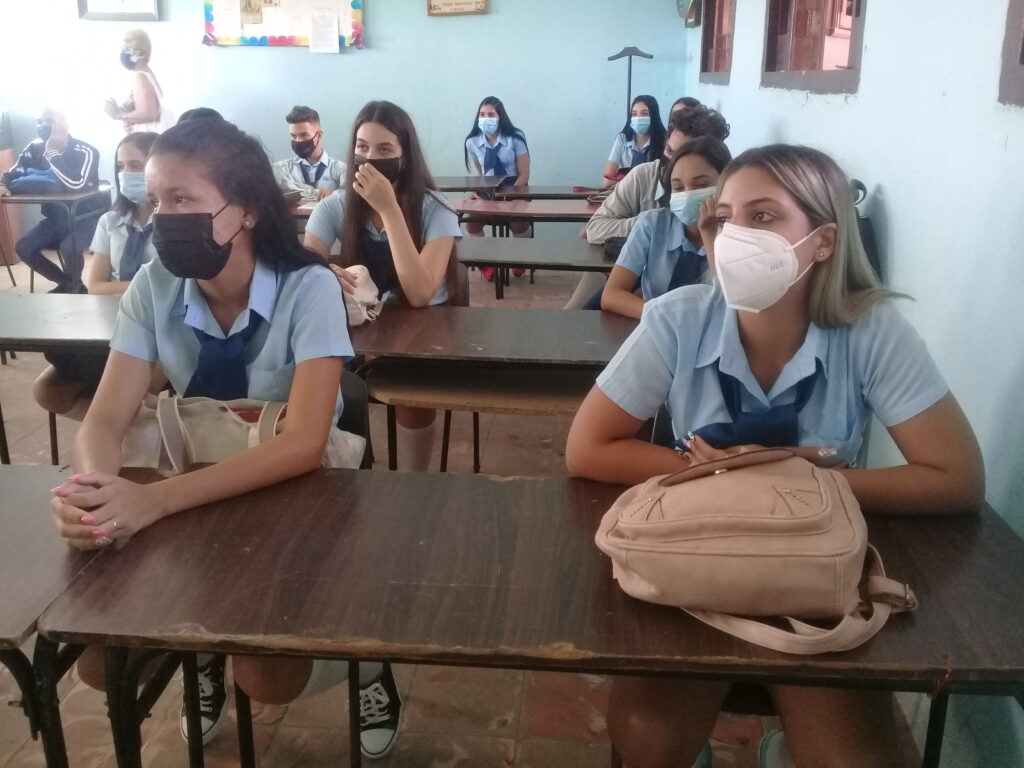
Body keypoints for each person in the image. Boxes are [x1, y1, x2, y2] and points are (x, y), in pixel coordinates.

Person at [566, 144, 984, 768]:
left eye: (762, 216)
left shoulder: (870, 331)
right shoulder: (678, 318)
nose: (735, 235)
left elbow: (957, 477)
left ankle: (781, 751)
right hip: (696, 554)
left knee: (855, 761)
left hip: (813, 565)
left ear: (823, 241)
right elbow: (586, 448)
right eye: (724, 217)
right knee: (649, 740)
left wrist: (793, 482)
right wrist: (730, 474)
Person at [46, 119, 396, 760]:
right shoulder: (154, 284)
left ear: (248, 209)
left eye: (183, 198)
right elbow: (104, 420)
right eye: (157, 200)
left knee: (268, 677)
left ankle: (368, 664)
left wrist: (152, 501)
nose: (163, 217)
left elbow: (303, 444)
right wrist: (95, 492)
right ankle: (203, 653)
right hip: (199, 469)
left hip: (289, 484)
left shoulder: (309, 287)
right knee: (100, 658)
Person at [304, 100, 463, 477]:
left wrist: (390, 210)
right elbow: (302, 273)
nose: (371, 159)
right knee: (320, 374)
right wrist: (324, 271)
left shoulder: (436, 210)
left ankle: (413, 480)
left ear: (405, 156)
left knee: (410, 385)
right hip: (361, 327)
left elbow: (420, 293)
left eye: (385, 149)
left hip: (423, 330)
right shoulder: (334, 207)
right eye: (362, 148)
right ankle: (344, 474)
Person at [33, 131, 160, 420]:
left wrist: (136, 288)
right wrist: (147, 286)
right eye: (120, 166)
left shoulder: (175, 222)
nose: (126, 174)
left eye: (136, 166)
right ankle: (115, 427)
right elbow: (96, 286)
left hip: (156, 328)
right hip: (109, 324)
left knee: (136, 394)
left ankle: (120, 427)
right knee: (46, 389)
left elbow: (175, 289)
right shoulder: (110, 221)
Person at [601, 137, 730, 319]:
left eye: (701, 185)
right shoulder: (653, 224)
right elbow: (611, 296)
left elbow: (732, 306)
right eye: (678, 187)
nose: (687, 195)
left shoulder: (739, 234)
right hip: (655, 327)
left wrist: (709, 234)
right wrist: (668, 317)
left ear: (727, 185)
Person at [586, 106, 731, 246]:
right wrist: (650, 225)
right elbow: (595, 228)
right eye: (669, 150)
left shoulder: (728, 189)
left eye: (684, 156)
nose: (674, 162)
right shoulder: (642, 177)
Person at [0, 108, 102, 293]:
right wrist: (2, 184)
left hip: (87, 218)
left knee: (68, 247)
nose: (42, 125)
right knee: (24, 247)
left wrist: (53, 153)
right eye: (39, 121)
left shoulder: (86, 151)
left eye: (48, 121)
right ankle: (71, 285)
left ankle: (72, 286)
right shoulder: (34, 149)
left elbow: (76, 184)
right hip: (56, 219)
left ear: (64, 125)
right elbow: (13, 172)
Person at [462, 96, 531, 279]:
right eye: (482, 114)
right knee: (471, 221)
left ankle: (521, 259)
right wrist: (475, 191)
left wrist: (509, 194)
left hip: (515, 187)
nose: (486, 118)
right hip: (488, 188)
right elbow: (481, 173)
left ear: (500, 117)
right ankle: (484, 262)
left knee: (517, 218)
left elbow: (524, 175)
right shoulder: (472, 142)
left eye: (491, 114)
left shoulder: (515, 138)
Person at [103, 29, 174, 133]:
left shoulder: (140, 76)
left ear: (141, 53)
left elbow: (148, 114)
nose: (123, 53)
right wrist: (130, 109)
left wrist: (118, 115)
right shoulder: (147, 73)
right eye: (122, 49)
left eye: (126, 49)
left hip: (150, 138)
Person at [273, 105, 346, 202]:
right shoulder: (284, 170)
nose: (298, 141)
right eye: (293, 136)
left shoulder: (340, 169)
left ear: (319, 135)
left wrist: (334, 194)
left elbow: (350, 198)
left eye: (304, 135)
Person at [602, 95, 666, 186]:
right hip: (626, 193)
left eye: (644, 113)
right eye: (634, 114)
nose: (638, 118)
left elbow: (666, 179)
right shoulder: (622, 138)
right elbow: (607, 180)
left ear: (654, 116)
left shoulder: (665, 139)